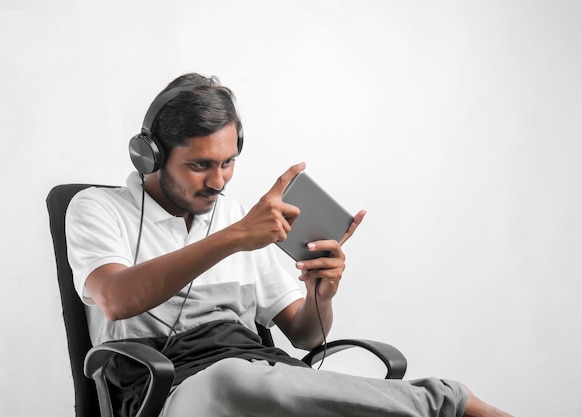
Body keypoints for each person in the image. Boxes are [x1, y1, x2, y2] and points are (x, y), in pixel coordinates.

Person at [66, 73, 512, 417]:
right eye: (200, 165)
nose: (218, 182)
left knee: (249, 379)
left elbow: (305, 336)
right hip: (167, 392)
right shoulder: (98, 209)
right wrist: (235, 237)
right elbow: (116, 299)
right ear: (152, 155)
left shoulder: (241, 218)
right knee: (226, 380)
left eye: (228, 162)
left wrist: (322, 292)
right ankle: (447, 401)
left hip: (262, 378)